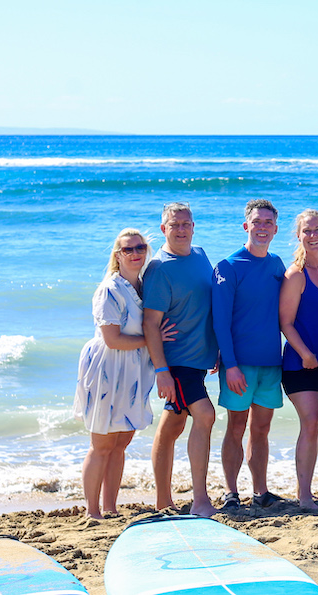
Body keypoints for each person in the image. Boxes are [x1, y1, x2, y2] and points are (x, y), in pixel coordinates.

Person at [75, 228, 173, 519]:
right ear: (117, 255)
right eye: (127, 249)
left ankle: (110, 508)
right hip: (107, 369)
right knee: (102, 443)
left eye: (140, 247)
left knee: (121, 443)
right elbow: (112, 339)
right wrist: (152, 339)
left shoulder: (145, 286)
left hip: (133, 372)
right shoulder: (110, 289)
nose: (135, 253)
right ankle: (92, 511)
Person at [143, 203, 219, 517]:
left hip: (198, 360)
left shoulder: (200, 255)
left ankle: (163, 500)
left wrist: (215, 348)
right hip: (176, 363)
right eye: (174, 224)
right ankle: (200, 500)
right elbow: (150, 323)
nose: (181, 229)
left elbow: (207, 304)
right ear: (164, 229)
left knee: (172, 425)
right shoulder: (159, 268)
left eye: (186, 223)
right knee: (205, 416)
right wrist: (161, 370)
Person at [213, 199, 286, 510]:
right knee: (236, 426)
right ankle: (231, 492)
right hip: (239, 366)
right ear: (246, 226)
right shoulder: (228, 267)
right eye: (257, 222)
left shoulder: (278, 265)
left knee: (262, 429)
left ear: (276, 229)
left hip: (272, 363)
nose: (262, 228)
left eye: (268, 223)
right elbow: (219, 321)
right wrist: (229, 365)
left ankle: (261, 491)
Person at [279, 209, 318, 509]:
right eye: (307, 231)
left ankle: (308, 486)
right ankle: (303, 495)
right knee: (311, 420)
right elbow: (285, 322)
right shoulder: (295, 275)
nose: (313, 236)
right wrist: (305, 353)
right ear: (299, 235)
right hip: (299, 363)